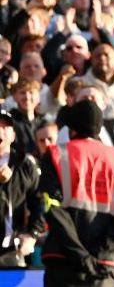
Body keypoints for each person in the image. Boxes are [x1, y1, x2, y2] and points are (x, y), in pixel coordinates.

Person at [38, 100, 114, 286]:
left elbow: (51, 206)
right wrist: (101, 252)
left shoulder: (55, 155)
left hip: (63, 261)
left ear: (71, 130)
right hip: (104, 267)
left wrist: (81, 255)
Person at [0, 109, 43, 267]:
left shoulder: (24, 163)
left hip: (13, 252)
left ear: (13, 135)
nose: (0, 131)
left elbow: (39, 203)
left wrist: (32, 234)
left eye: (5, 127)